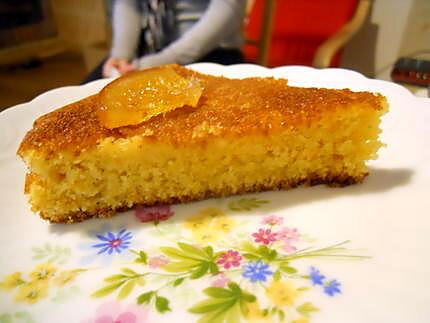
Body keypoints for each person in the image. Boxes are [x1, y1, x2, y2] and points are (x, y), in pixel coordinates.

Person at [83, 0, 247, 82]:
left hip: (212, 49)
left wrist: (154, 63)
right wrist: (121, 55)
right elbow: (129, 4)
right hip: (146, 49)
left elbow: (228, 10)